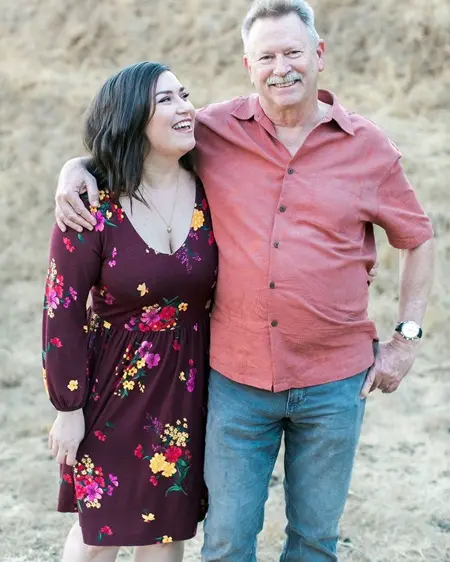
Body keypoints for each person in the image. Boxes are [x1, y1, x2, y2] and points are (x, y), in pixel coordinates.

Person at [54, 1, 435, 560]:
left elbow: (418, 237)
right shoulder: (212, 131)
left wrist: (407, 339)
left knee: (314, 539)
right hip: (236, 379)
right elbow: (142, 131)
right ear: (247, 65)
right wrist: (78, 168)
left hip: (335, 380)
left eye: (293, 52)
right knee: (227, 540)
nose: (282, 67)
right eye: (267, 56)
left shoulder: (369, 148)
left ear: (319, 55)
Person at [42, 61, 218, 562]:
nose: (185, 107)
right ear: (129, 118)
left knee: (167, 532)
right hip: (112, 387)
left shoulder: (213, 182)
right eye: (166, 100)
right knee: (101, 532)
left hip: (190, 386)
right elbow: (62, 310)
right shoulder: (90, 204)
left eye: (185, 94)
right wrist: (68, 408)